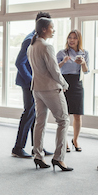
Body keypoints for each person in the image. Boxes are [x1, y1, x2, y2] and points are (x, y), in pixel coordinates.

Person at [27, 17, 73, 172]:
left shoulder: (31, 46)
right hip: (50, 88)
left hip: (37, 88)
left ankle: (38, 156)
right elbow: (54, 70)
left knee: (40, 122)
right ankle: (59, 158)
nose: (54, 30)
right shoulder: (47, 46)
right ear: (45, 29)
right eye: (52, 28)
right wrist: (64, 84)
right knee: (63, 121)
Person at [12, 11, 54, 158]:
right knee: (29, 113)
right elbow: (19, 63)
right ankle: (18, 148)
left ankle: (37, 147)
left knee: (36, 116)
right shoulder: (29, 40)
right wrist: (31, 81)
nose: (51, 28)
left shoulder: (39, 40)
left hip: (36, 83)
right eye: (50, 25)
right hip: (28, 82)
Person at [57, 30, 89, 152]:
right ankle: (64, 141)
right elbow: (54, 68)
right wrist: (63, 61)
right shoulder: (62, 52)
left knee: (77, 114)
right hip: (64, 83)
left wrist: (83, 63)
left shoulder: (84, 53)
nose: (71, 40)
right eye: (70, 37)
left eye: (74, 38)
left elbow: (86, 71)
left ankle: (75, 140)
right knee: (65, 115)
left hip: (77, 83)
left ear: (78, 40)